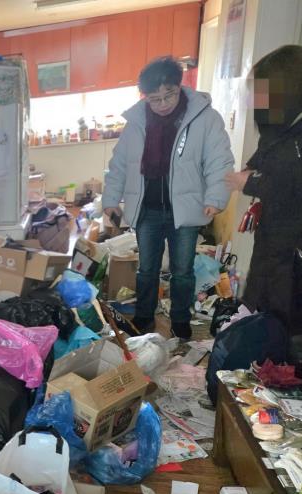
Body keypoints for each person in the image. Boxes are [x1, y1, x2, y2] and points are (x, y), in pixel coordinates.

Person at [102, 56, 234, 340]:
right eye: (154, 99)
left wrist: (215, 197)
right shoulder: (137, 122)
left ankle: (181, 319)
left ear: (179, 86)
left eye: (169, 95)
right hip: (147, 209)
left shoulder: (204, 118)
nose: (162, 104)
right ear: (145, 96)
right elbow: (119, 164)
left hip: (184, 209)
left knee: (182, 271)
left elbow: (219, 160)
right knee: (147, 270)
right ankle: (144, 316)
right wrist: (110, 200)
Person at [226, 45, 302, 332]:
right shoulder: (280, 126)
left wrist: (249, 182)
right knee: (260, 298)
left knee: (283, 310)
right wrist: (250, 168)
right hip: (272, 233)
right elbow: (266, 154)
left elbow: (292, 184)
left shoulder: (300, 135)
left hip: (292, 241)